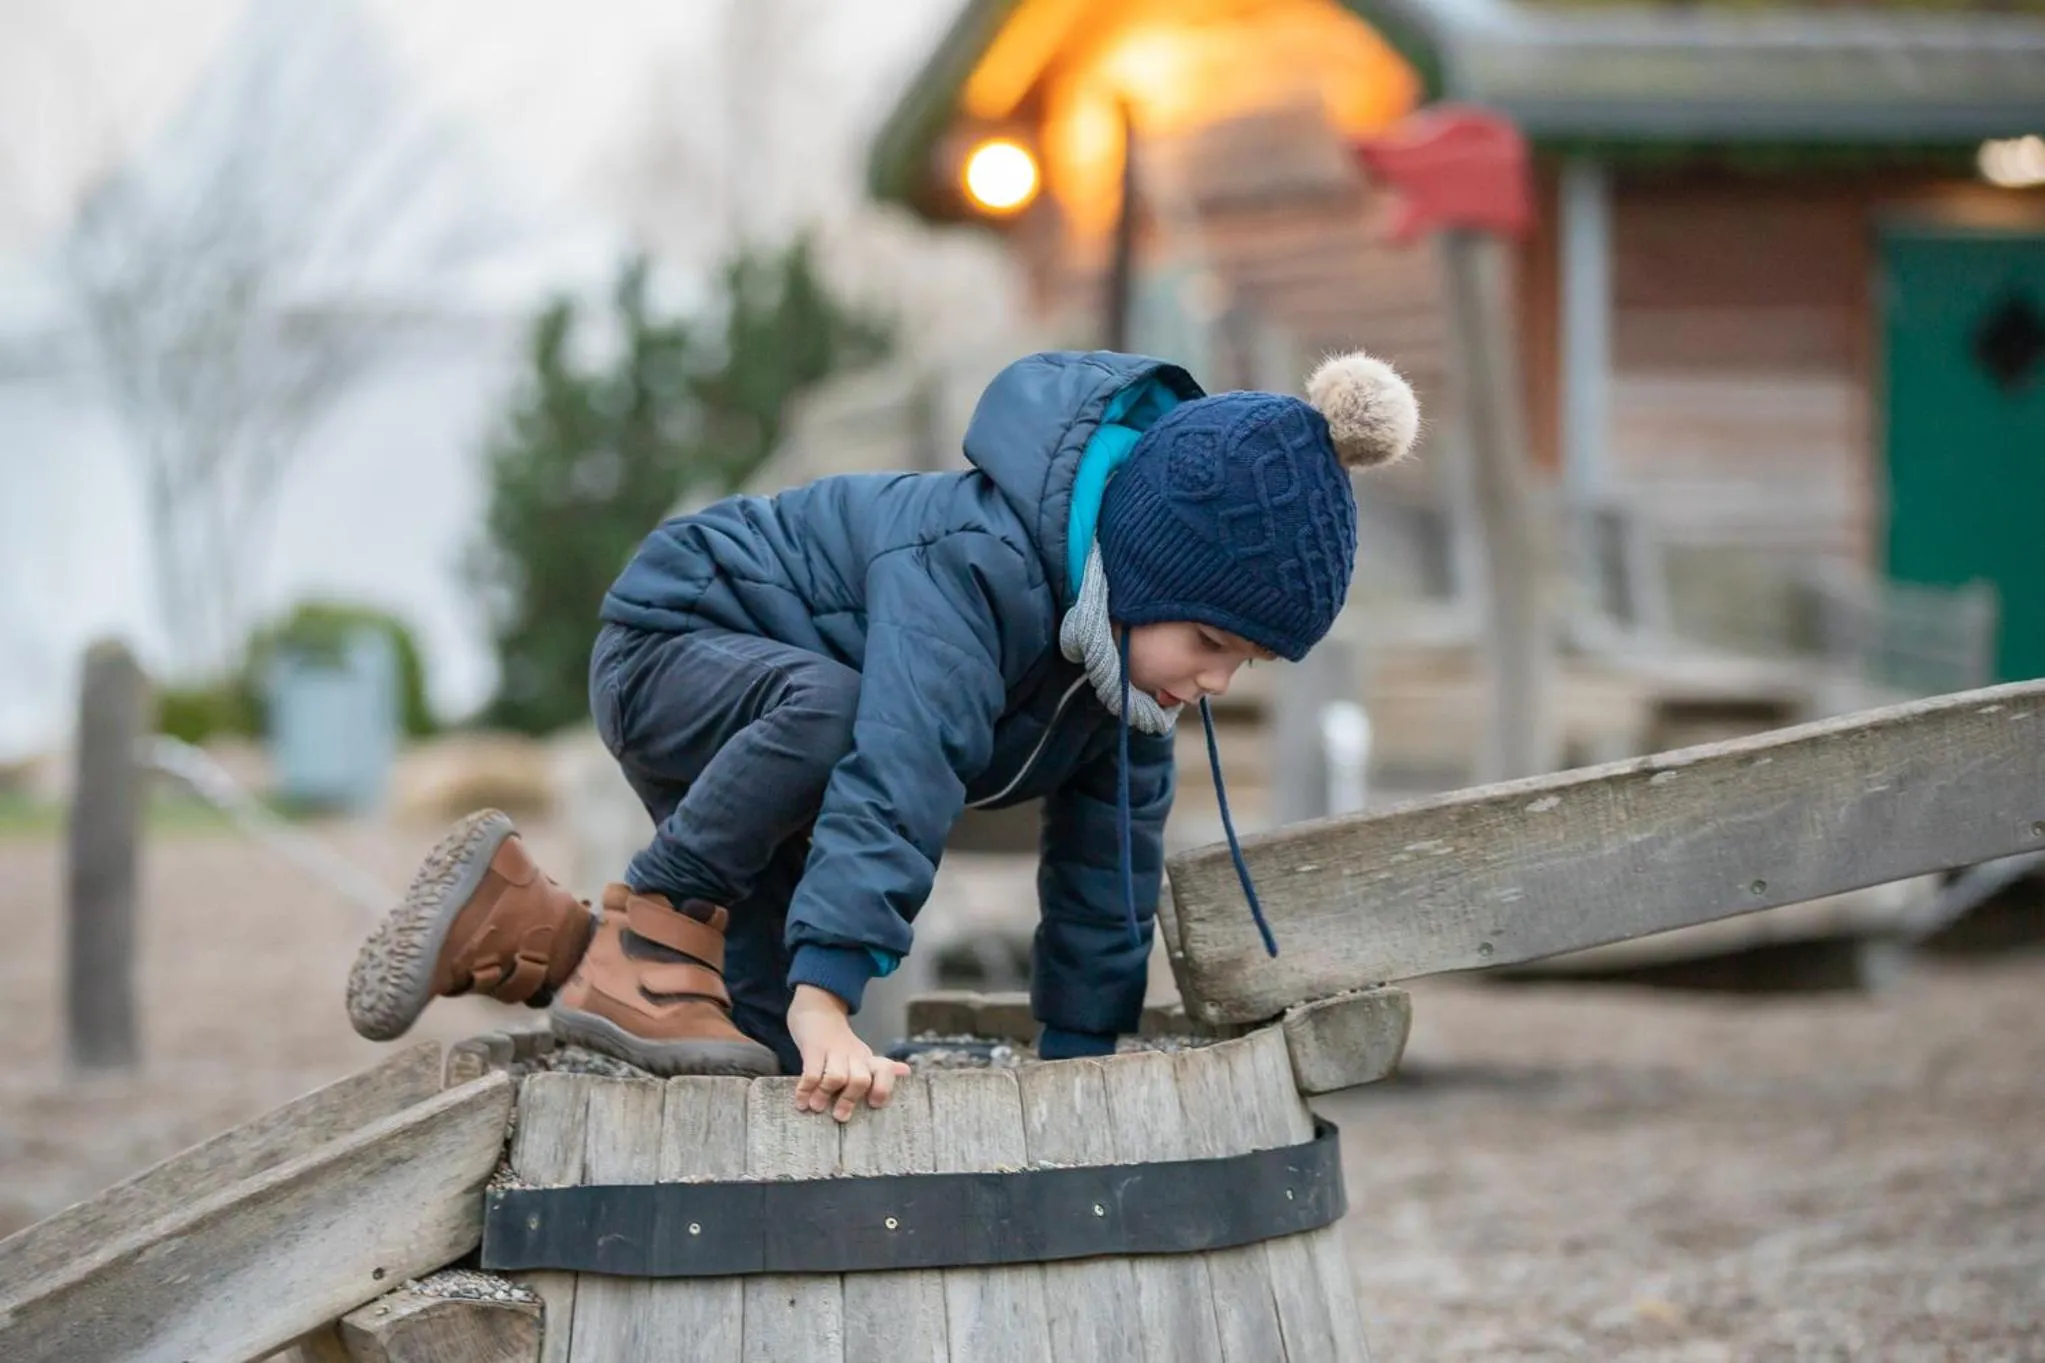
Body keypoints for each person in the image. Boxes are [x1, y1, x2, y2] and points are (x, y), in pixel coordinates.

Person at [345, 347, 1417, 1122]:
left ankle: (513, 926)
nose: (1219, 678)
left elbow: (1108, 878)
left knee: (745, 1053)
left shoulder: (1123, 687)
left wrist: (1080, 1065)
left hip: (802, 761)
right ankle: (652, 926)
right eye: (1212, 639)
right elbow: (898, 769)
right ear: (1139, 567)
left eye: (1248, 664)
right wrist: (831, 1000)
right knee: (836, 724)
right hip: (682, 648)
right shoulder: (973, 565)